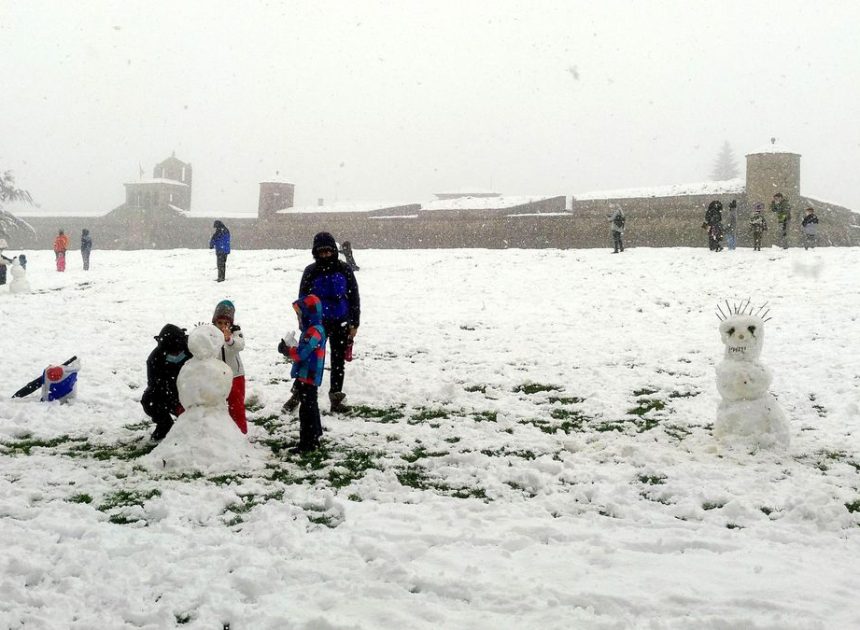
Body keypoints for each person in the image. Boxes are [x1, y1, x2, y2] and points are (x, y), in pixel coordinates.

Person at [295, 232, 360, 413]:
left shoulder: (344, 269)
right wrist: (304, 322)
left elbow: (354, 296)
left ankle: (336, 398)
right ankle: (298, 394)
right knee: (309, 360)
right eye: (321, 252)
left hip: (341, 322)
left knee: (338, 361)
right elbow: (303, 299)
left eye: (328, 251)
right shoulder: (311, 271)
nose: (325, 255)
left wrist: (354, 323)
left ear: (334, 251)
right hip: (317, 324)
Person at [278, 294, 326, 453]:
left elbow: (302, 353)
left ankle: (307, 443)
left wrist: (287, 350)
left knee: (306, 410)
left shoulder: (314, 331)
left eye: (300, 315)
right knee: (311, 406)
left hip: (309, 376)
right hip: (306, 375)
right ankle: (315, 436)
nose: (299, 318)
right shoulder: (312, 330)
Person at [141, 324, 190, 441]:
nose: (176, 355)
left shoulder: (192, 350)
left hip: (193, 391)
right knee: (149, 399)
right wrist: (176, 404)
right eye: (172, 353)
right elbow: (156, 386)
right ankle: (165, 425)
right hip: (169, 393)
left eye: (178, 352)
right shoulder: (155, 359)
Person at [212, 299, 247, 434]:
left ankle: (240, 432)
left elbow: (240, 345)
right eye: (219, 323)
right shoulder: (211, 333)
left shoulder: (236, 332)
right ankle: (222, 433)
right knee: (217, 405)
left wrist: (229, 339)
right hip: (217, 375)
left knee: (236, 405)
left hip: (235, 375)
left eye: (226, 323)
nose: (222, 326)